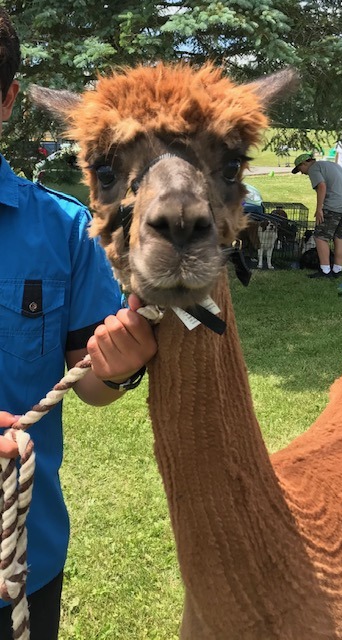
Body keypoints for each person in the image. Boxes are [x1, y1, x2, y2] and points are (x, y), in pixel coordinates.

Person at [0, 8, 157, 640]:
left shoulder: (64, 231)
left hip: (20, 560)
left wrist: (115, 371)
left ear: (7, 98)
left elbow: (85, 379)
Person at [291, 152, 342, 279]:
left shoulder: (314, 168)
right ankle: (337, 270)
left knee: (320, 237)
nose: (302, 173)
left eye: (300, 169)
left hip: (334, 205)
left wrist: (319, 208)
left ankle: (325, 271)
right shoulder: (331, 164)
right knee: (339, 237)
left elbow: (321, 186)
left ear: (305, 163)